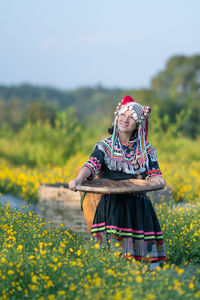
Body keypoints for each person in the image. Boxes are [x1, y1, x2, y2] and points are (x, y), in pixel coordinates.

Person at [69, 95, 167, 266]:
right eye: (122, 115)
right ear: (116, 117)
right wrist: (78, 179)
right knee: (110, 259)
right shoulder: (104, 146)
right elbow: (92, 164)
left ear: (138, 124)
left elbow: (154, 173)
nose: (125, 120)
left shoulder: (146, 150)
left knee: (141, 264)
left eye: (131, 117)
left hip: (138, 208)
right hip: (112, 207)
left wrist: (159, 180)